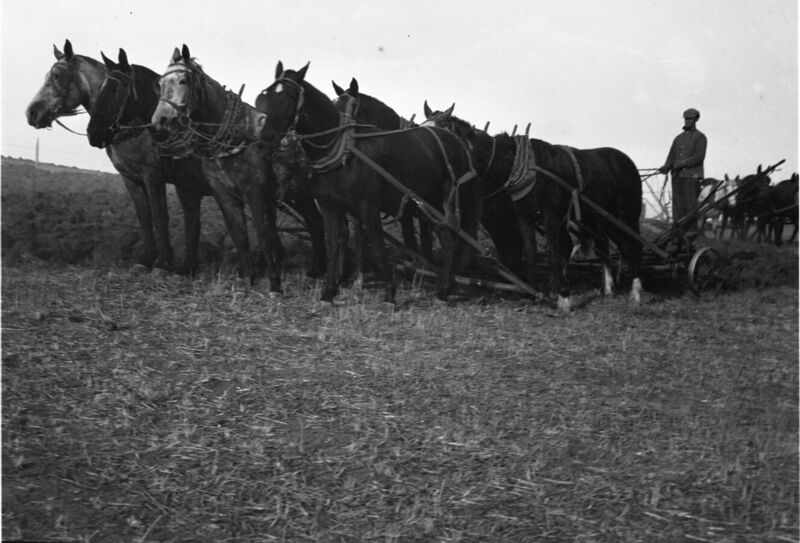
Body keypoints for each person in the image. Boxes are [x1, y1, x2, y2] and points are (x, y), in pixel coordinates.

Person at [658, 108, 707, 232]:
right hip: (677, 177)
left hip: (691, 177)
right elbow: (671, 156)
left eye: (690, 119)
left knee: (689, 208)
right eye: (686, 119)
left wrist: (681, 164)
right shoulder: (678, 138)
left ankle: (691, 234)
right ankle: (677, 234)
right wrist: (666, 166)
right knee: (677, 209)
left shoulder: (700, 137)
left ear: (696, 120)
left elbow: (699, 157)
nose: (687, 121)